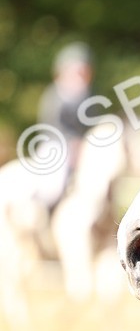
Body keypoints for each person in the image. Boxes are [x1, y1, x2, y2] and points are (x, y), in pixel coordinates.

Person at [35, 42, 95, 209]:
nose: (81, 76)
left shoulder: (87, 95)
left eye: (84, 72)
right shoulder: (54, 94)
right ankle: (45, 211)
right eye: (77, 71)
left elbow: (91, 124)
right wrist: (72, 141)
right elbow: (52, 124)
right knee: (55, 185)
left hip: (82, 145)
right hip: (56, 144)